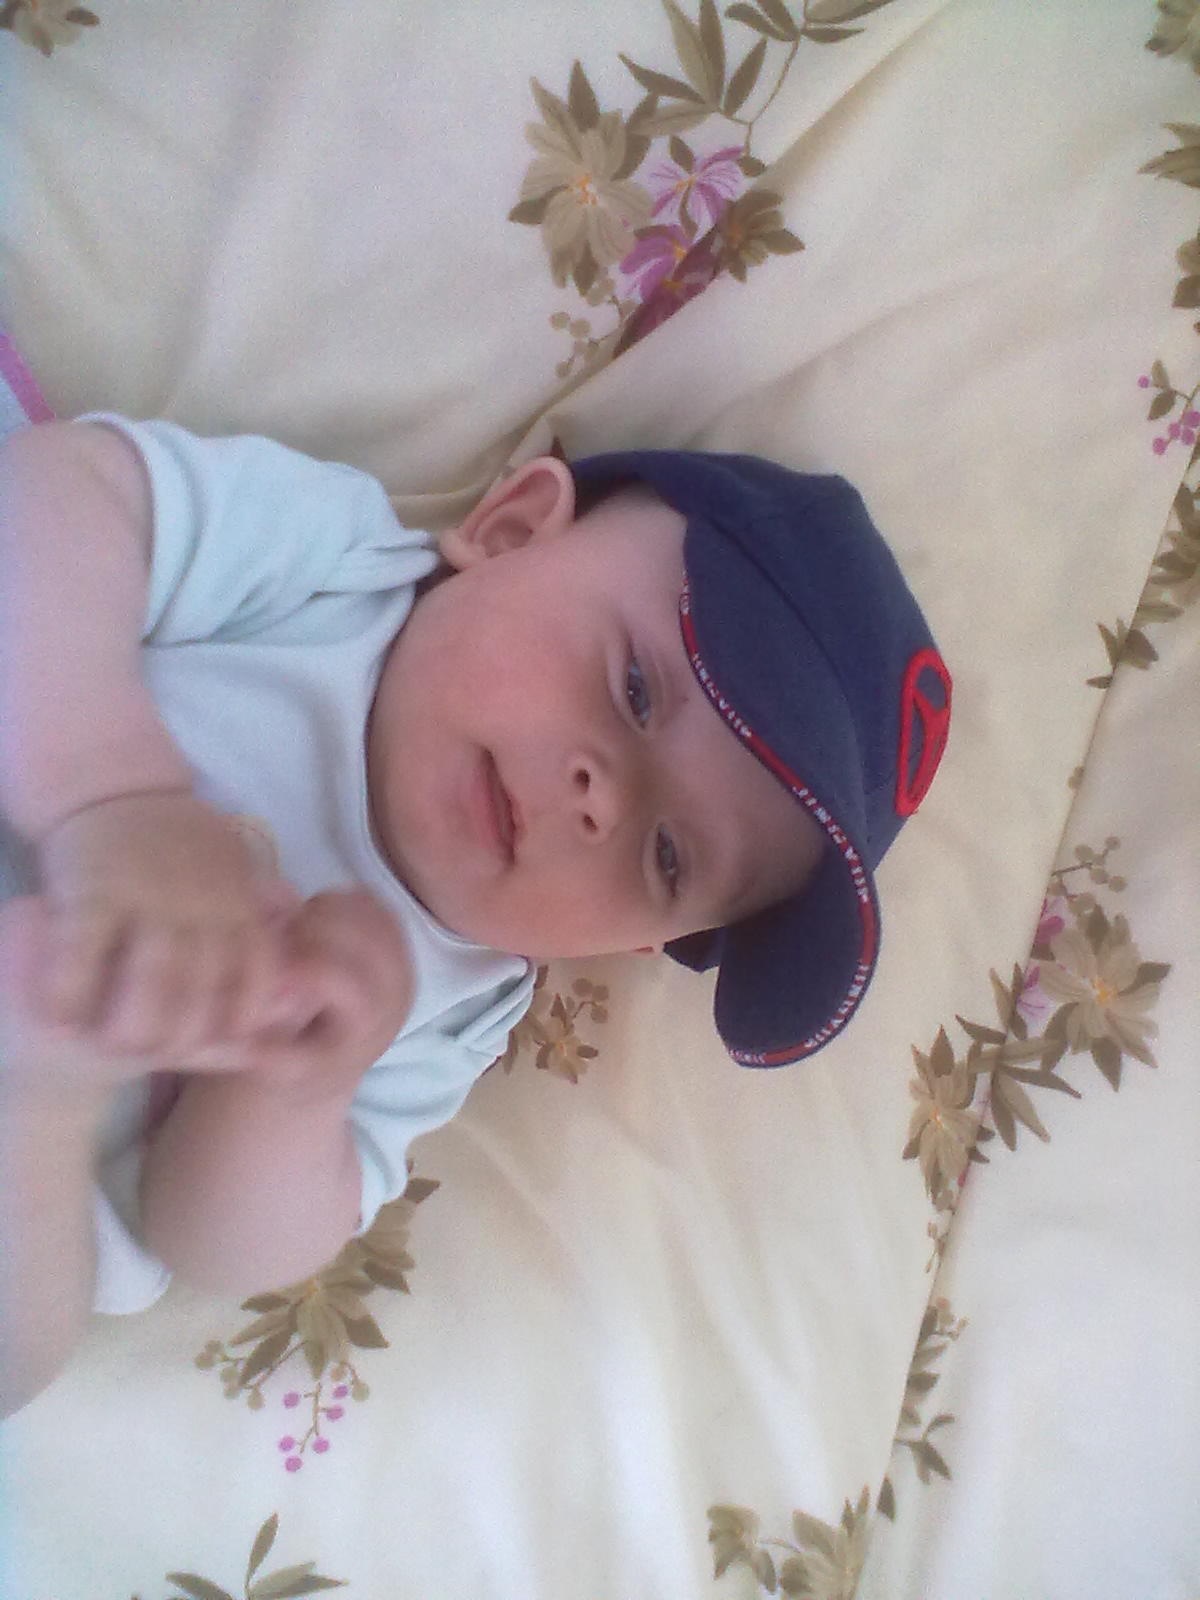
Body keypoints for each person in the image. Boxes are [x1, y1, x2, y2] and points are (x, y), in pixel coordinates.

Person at [0, 413, 951, 1418]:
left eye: (666, 855)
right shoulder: (339, 569)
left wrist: (290, 1091)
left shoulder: (450, 1006)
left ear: (637, 942)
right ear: (509, 530)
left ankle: (34, 1078)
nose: (603, 801)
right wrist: (111, 797)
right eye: (635, 689)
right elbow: (61, 493)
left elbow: (207, 1244)